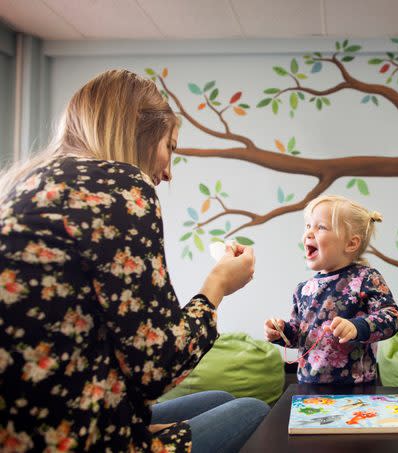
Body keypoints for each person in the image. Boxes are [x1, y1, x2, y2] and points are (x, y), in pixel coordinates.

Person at [0, 69, 268, 452]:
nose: (167, 172)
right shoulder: (122, 184)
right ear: (139, 133)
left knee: (219, 401)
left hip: (37, 420)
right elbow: (158, 368)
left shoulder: (28, 183)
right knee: (253, 409)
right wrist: (217, 286)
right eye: (170, 148)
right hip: (69, 437)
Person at [264, 195, 398, 384]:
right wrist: (283, 332)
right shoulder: (303, 290)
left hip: (356, 387)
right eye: (308, 226)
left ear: (351, 243)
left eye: (320, 227)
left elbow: (391, 317)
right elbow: (300, 337)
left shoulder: (366, 278)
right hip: (308, 386)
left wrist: (356, 327)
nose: (309, 233)